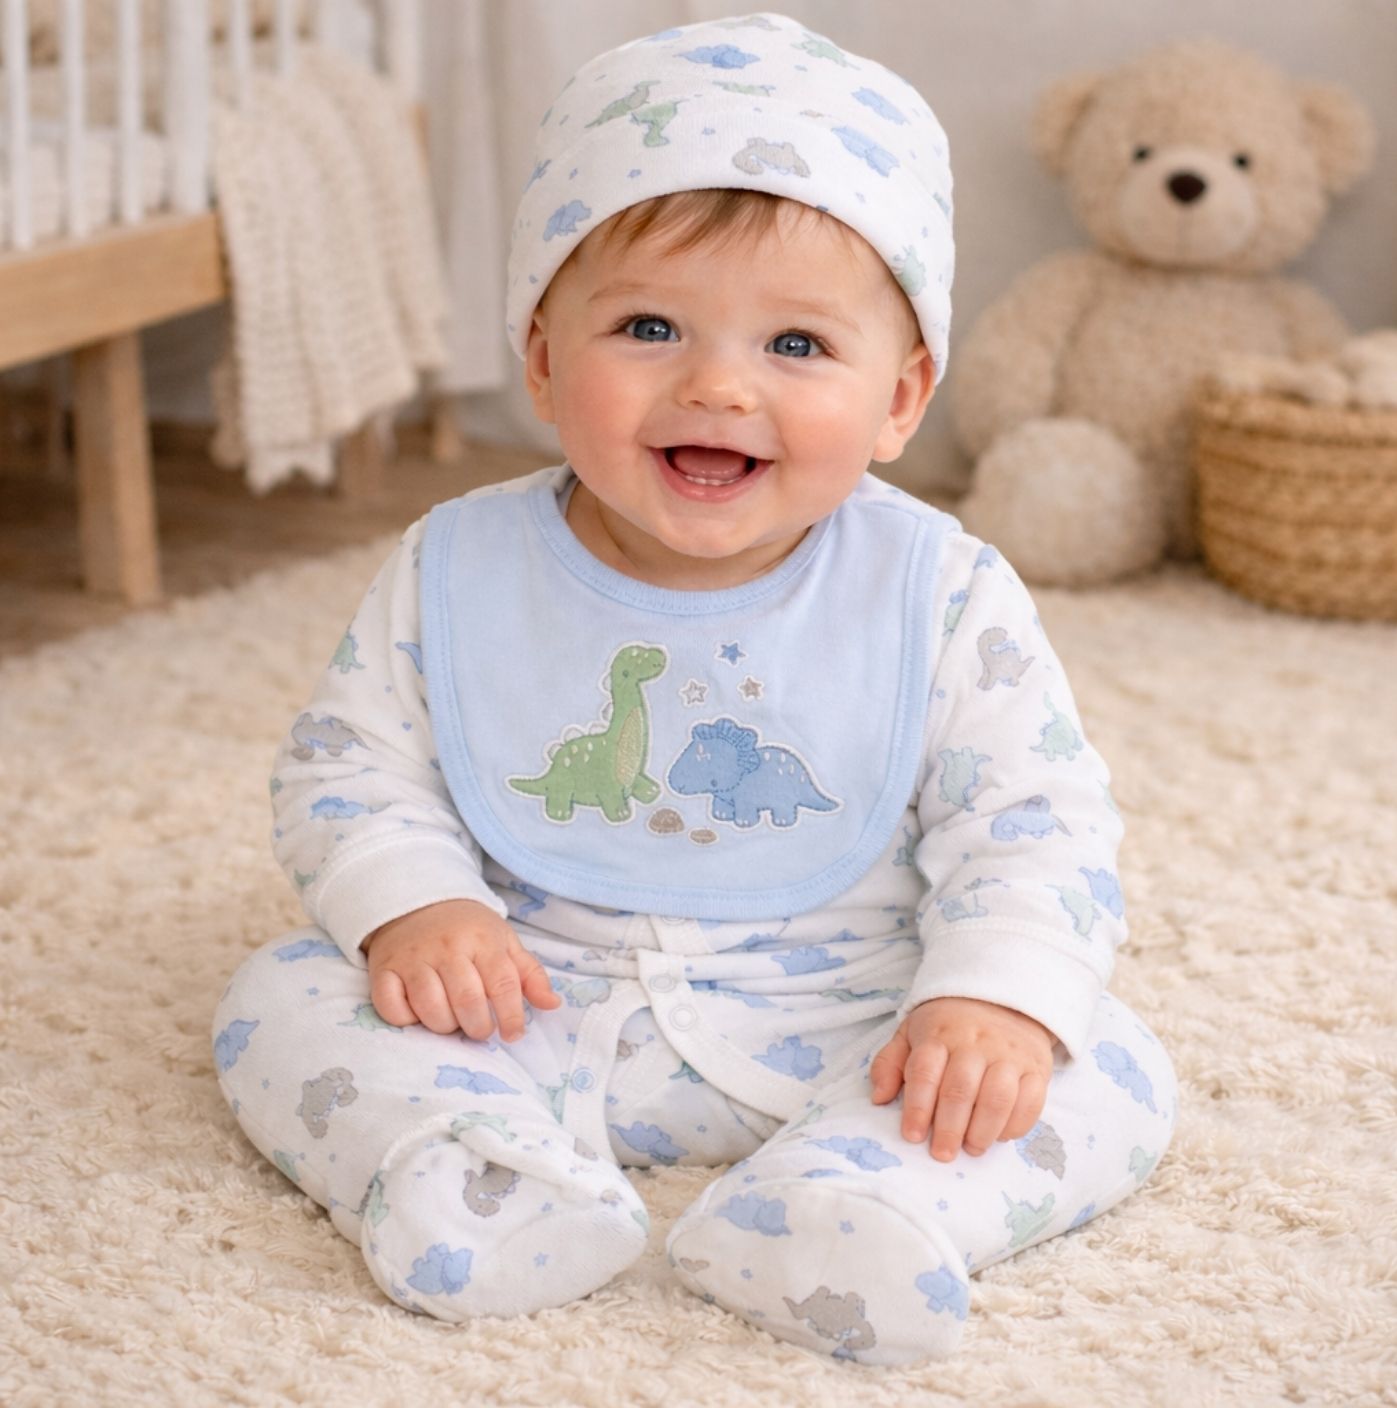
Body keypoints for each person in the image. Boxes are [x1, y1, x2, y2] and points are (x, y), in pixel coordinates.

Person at [211, 11, 1178, 1365]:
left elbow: (1034, 822)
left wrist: (987, 1001)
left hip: (847, 1018)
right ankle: (472, 1165)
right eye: (649, 326)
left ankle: (854, 1200)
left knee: (1106, 1060)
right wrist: (416, 911)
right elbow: (346, 767)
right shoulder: (457, 563)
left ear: (900, 399)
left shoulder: (938, 591)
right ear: (544, 360)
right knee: (279, 995)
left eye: (796, 346)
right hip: (519, 1009)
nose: (719, 385)